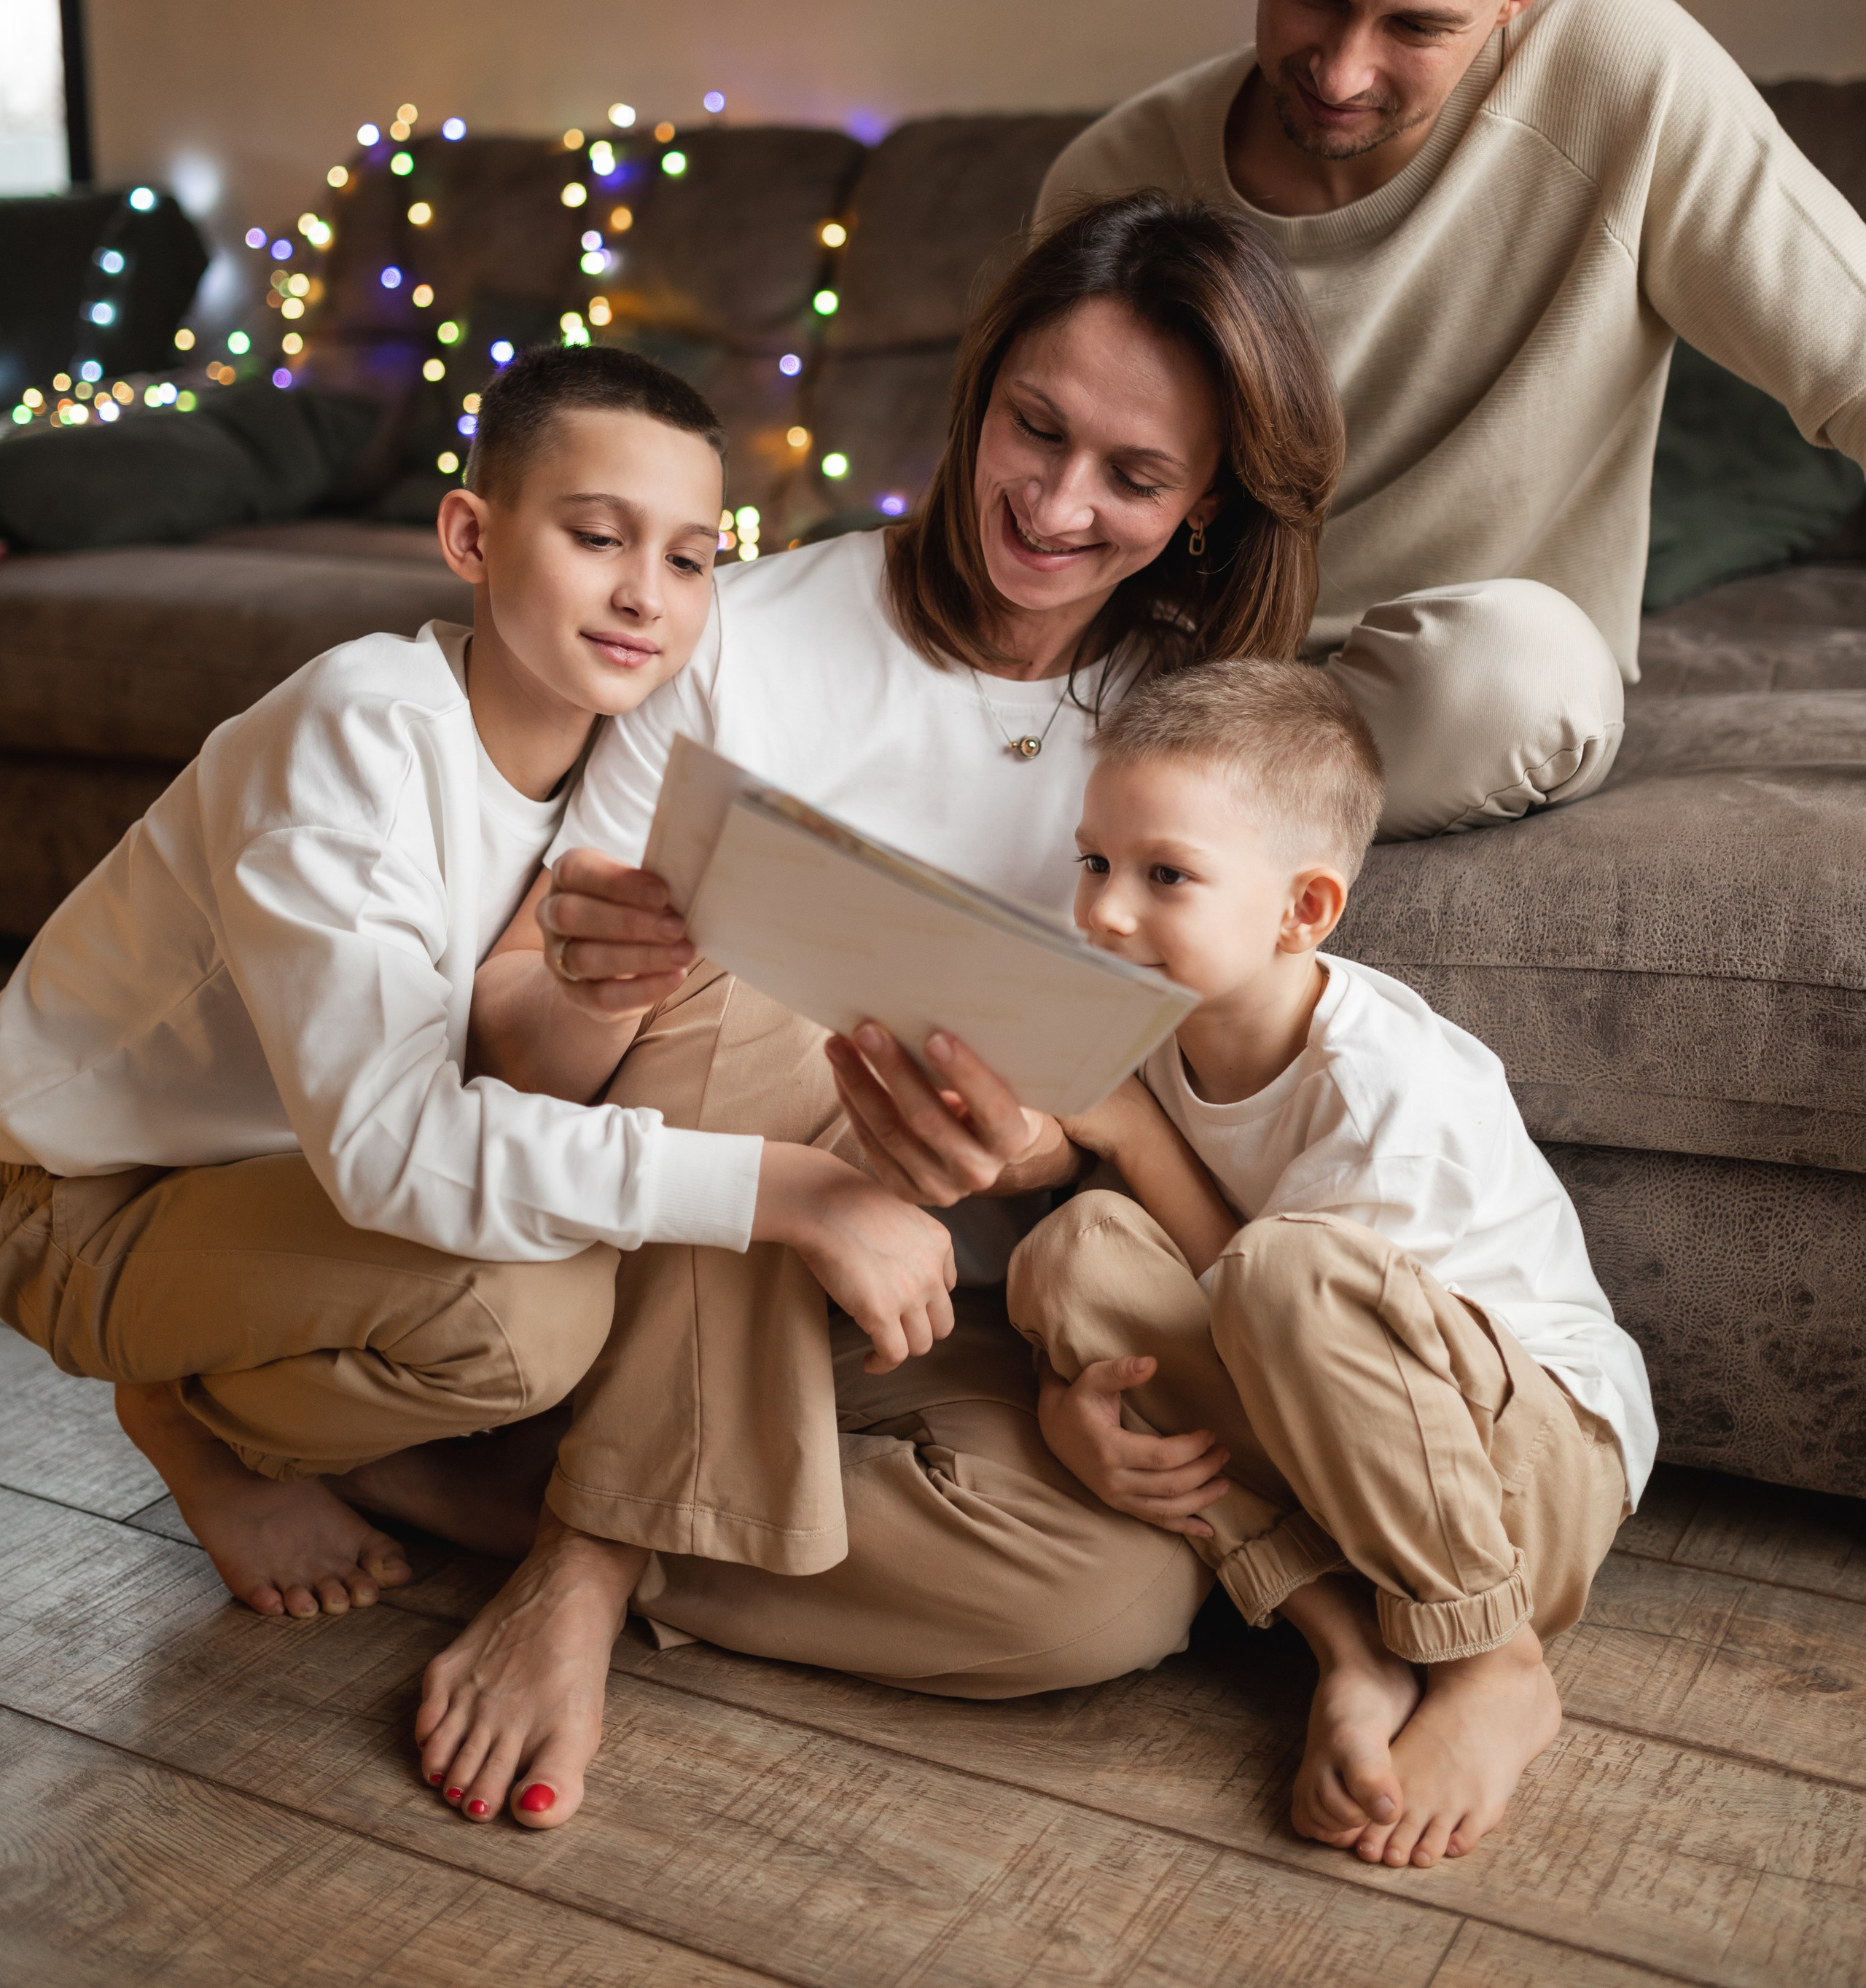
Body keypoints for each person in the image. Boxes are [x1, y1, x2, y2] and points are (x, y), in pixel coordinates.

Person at [429, 189, 1343, 1827]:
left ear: (1205, 506)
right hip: (661, 1235)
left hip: (920, 1307)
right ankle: (583, 1559)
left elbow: (1152, 1120)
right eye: (1034, 428)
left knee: (1110, 1602)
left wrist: (1030, 1155)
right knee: (759, 982)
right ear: (975, 386)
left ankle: (511, 1501)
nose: (1054, 504)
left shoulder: (1198, 746)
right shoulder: (744, 640)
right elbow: (511, 1038)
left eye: (1133, 478)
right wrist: (591, 980)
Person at [0, 347, 954, 1653]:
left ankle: (368, 1432)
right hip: (75, 1191)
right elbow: (395, 1149)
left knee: (568, 1244)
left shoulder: (627, 763)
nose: (643, 595)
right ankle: (190, 1419)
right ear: (471, 533)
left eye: (689, 559)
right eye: (596, 536)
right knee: (524, 1316)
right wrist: (787, 1192)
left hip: (291, 1181)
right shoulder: (359, 735)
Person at [1037, 0, 1866, 837]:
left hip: (1454, 696)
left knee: (1519, 676)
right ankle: (1174, 808)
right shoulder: (1114, 177)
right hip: (1168, 675)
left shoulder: (1619, 69)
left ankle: (1165, 812)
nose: (1342, 70)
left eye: (1419, 26)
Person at [1007, 657, 1655, 1870]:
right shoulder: (1150, 1019)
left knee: (1285, 1273)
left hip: (1523, 1476)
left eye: (1166, 877)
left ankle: (1493, 1664)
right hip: (1349, 1474)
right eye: (1096, 862)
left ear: (1303, 912)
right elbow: (1142, 1291)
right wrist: (1063, 1406)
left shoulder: (1387, 1086)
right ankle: (1350, 1646)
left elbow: (1275, 1306)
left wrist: (1135, 1134)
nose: (1104, 912)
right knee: (1075, 1253)